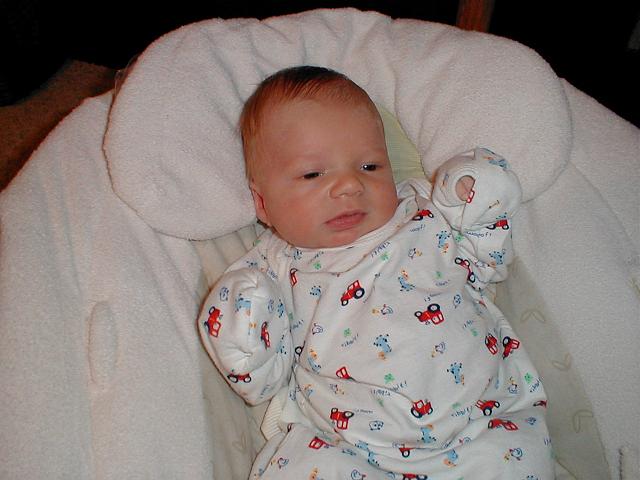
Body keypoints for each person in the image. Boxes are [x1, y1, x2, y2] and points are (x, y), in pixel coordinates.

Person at [198, 65, 553, 479]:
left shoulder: (422, 211)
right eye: (313, 174)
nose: (349, 185)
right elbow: (258, 378)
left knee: (517, 459)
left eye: (369, 166)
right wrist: (240, 321)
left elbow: (487, 252)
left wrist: (475, 188)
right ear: (262, 204)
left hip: (482, 427)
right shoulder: (271, 269)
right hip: (353, 448)